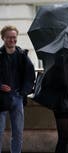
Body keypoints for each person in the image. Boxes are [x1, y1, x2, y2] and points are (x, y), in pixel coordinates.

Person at [0, 25, 35, 153]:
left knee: (18, 134)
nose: (12, 40)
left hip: (17, 97)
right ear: (3, 38)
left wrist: (23, 92)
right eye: (9, 37)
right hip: (1, 98)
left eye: (14, 37)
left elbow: (30, 76)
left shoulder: (22, 56)